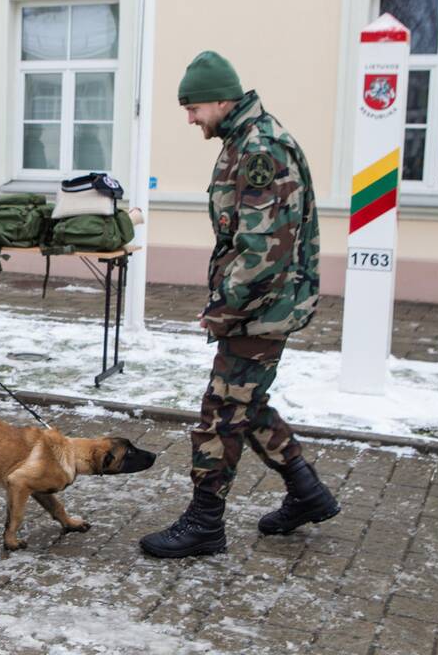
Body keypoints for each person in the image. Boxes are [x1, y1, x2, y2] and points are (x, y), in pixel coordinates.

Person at [139, 51, 340, 558]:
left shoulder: (259, 149)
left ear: (221, 98)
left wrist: (225, 306)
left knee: (221, 412)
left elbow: (262, 248)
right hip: (263, 303)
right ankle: (306, 493)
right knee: (246, 403)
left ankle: (205, 522)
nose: (189, 118)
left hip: (262, 306)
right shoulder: (245, 138)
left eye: (193, 107)